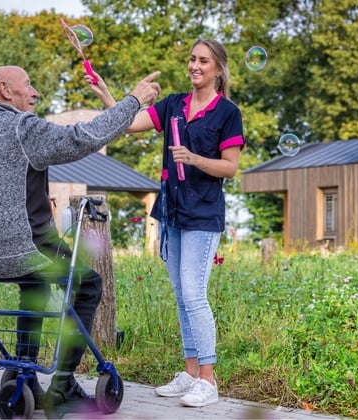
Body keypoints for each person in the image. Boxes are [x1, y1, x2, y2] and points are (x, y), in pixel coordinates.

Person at [0, 65, 161, 413]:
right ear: (5, 90)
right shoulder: (22, 128)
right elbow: (83, 138)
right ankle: (62, 383)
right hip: (29, 248)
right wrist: (133, 101)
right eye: (28, 85)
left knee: (34, 285)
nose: (35, 93)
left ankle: (24, 370)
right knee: (89, 284)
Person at [97, 38, 243, 408]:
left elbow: (229, 167)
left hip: (203, 214)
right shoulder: (174, 104)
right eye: (192, 59)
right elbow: (128, 124)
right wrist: (105, 93)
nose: (195, 66)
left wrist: (193, 158)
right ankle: (190, 373)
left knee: (194, 293)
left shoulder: (227, 113)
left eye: (203, 61)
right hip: (173, 211)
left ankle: (208, 380)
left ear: (218, 69)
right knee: (182, 296)